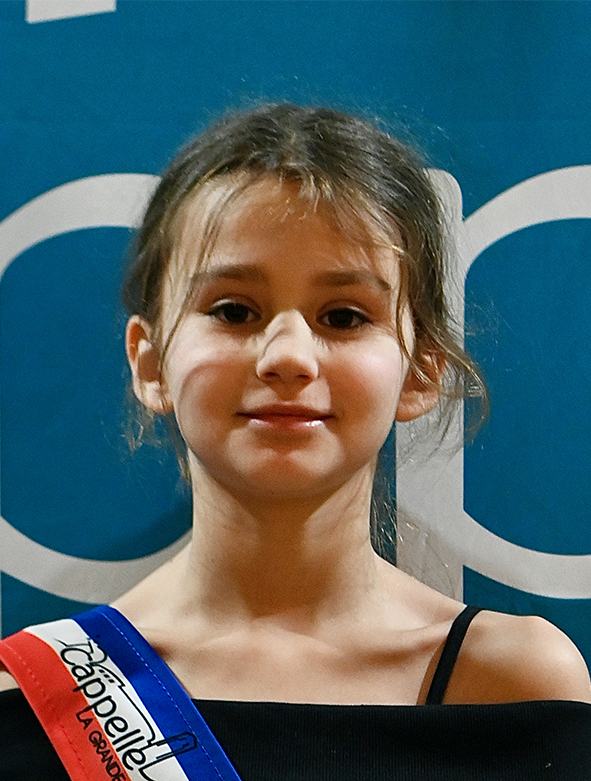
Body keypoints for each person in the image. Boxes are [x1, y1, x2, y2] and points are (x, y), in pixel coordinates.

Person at [0, 103, 590, 780]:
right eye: (233, 311)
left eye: (344, 316)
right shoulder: (30, 701)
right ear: (150, 361)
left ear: (420, 371)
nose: (288, 356)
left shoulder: (512, 684)